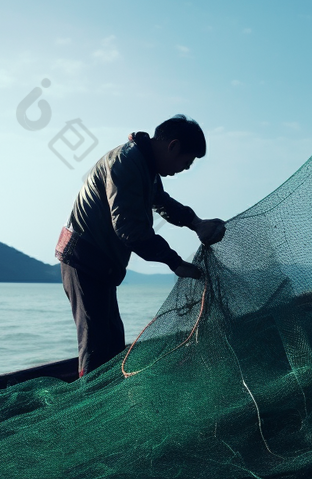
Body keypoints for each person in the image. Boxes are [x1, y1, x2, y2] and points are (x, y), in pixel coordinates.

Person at [56, 114, 225, 376]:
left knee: (112, 341)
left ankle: (102, 396)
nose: (186, 169)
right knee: (97, 345)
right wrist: (174, 262)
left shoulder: (145, 165)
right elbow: (130, 229)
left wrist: (196, 222)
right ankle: (91, 400)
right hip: (83, 260)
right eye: (187, 162)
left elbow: (162, 202)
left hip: (102, 266)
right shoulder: (126, 162)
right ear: (173, 146)